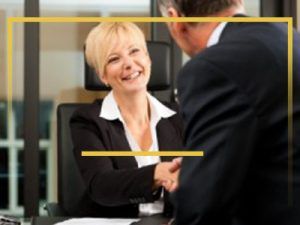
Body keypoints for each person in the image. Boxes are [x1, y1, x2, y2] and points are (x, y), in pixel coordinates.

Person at [158, 0, 300, 224]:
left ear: (176, 21)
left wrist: (194, 177)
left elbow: (201, 205)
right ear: (238, 1)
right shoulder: (289, 37)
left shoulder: (212, 67)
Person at [70, 22, 183, 217]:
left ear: (148, 58)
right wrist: (157, 173)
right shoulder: (87, 121)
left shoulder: (181, 116)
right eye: (114, 59)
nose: (129, 63)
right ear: (102, 75)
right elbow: (101, 185)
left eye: (134, 51)